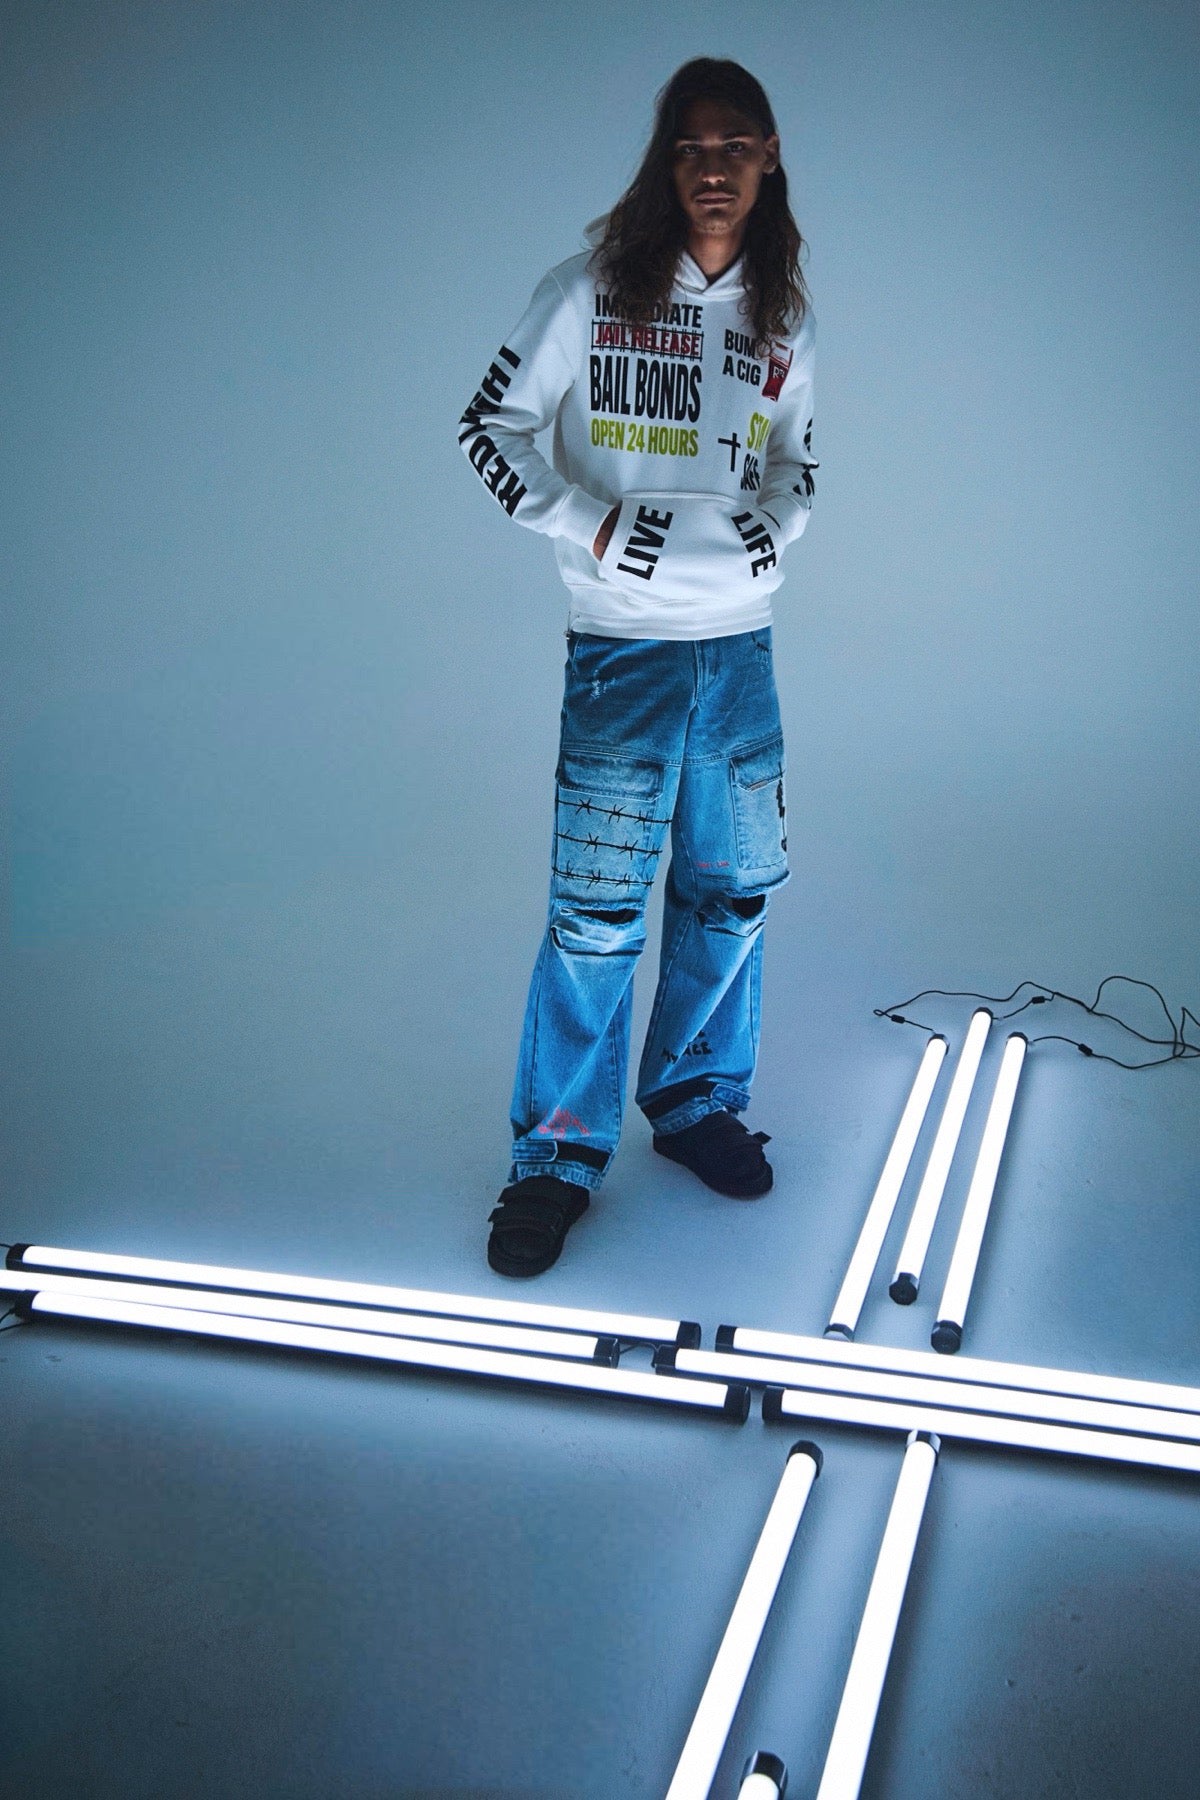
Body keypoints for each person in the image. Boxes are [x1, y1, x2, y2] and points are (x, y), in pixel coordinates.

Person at [458, 57, 817, 1277]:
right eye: (691, 147)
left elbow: (799, 461)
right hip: (623, 649)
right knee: (597, 914)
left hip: (742, 650)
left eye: (735, 146)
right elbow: (489, 426)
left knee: (733, 890)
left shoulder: (782, 313)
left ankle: (697, 1100)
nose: (714, 168)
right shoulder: (590, 291)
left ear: (768, 157)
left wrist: (774, 534)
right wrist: (593, 524)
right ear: (667, 162)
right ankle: (555, 1156)